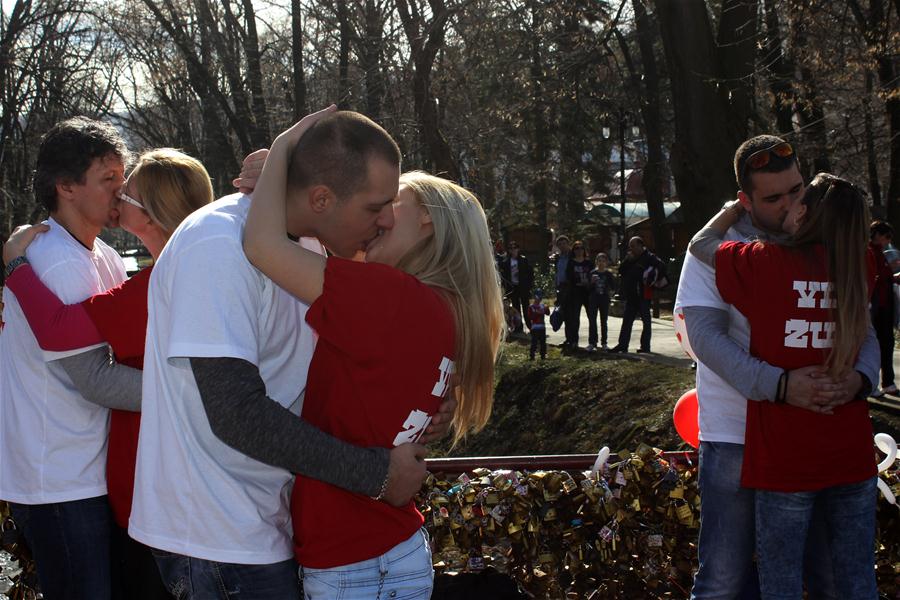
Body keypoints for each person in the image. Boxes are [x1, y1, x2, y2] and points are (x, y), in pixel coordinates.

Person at [127, 109, 452, 599]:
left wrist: (427, 410)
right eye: (373, 207)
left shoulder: (316, 249)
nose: (386, 220)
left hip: (269, 525)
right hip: (219, 538)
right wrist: (378, 475)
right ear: (321, 198)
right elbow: (235, 413)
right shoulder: (217, 245)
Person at [242, 115, 504, 599]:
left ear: (425, 218)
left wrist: (284, 150)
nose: (378, 218)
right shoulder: (444, 310)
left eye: (389, 205)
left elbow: (261, 245)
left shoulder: (390, 298)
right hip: (398, 546)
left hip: (347, 558)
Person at [2, 148, 216, 600]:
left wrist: (15, 267)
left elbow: (61, 330)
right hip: (141, 482)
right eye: (112, 180)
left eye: (129, 189)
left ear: (154, 213)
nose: (120, 193)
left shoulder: (163, 279)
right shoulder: (188, 266)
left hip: (166, 488)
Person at [675, 134, 879, 599]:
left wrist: (860, 378)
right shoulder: (734, 250)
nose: (790, 204)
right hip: (735, 432)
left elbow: (862, 324)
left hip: (814, 435)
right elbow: (706, 336)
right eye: (773, 197)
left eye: (797, 189)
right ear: (745, 201)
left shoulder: (829, 243)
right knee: (724, 578)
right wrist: (779, 385)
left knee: (822, 575)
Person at [0, 117, 130, 600]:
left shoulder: (106, 257)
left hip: (87, 471)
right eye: (108, 179)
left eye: (123, 177)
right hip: (57, 480)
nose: (121, 191)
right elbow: (95, 377)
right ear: (67, 187)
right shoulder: (52, 258)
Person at [610, 236, 661, 353]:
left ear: (640, 245)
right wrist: (627, 260)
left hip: (643, 295)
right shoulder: (630, 258)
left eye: (633, 246)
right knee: (627, 321)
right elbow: (621, 271)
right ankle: (622, 345)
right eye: (630, 246)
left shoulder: (650, 257)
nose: (631, 248)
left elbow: (659, 268)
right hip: (631, 295)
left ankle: (645, 346)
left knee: (646, 322)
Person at [869, 220, 897, 396]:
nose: (888, 241)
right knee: (873, 345)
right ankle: (872, 383)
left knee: (887, 343)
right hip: (875, 307)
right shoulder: (870, 253)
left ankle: (887, 382)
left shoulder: (880, 254)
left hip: (884, 307)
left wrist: (894, 278)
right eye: (886, 236)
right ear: (878, 235)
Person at [499, 241, 533, 332]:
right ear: (509, 250)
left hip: (523, 287)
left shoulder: (523, 260)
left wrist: (529, 285)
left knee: (526, 307)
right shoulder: (506, 262)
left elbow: (530, 273)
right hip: (513, 288)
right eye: (511, 248)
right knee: (515, 307)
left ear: (518, 249)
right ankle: (518, 326)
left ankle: (530, 325)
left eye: (515, 248)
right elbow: (503, 274)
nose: (513, 250)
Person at [564, 240, 592, 348]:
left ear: (584, 250)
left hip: (587, 292)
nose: (579, 250)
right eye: (576, 248)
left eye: (581, 248)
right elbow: (568, 277)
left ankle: (592, 340)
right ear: (573, 250)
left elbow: (593, 274)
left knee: (592, 317)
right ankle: (574, 340)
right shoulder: (571, 263)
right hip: (575, 292)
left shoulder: (589, 263)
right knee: (575, 318)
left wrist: (588, 283)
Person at [587, 253, 616, 351]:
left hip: (604, 299)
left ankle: (604, 342)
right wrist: (591, 282)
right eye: (599, 261)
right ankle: (592, 342)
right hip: (593, 299)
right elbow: (588, 288)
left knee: (604, 321)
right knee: (592, 321)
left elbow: (613, 287)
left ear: (606, 262)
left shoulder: (608, 274)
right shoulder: (592, 273)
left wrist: (610, 293)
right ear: (596, 262)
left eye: (603, 261)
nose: (601, 263)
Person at [551, 235, 573, 344]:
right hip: (561, 287)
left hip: (570, 287)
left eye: (564, 243)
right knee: (562, 313)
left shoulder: (572, 257)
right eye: (560, 244)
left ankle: (572, 338)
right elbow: (557, 273)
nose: (562, 246)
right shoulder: (559, 258)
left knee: (570, 314)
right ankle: (568, 338)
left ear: (568, 244)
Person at [527, 290, 551, 360]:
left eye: (540, 296)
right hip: (535, 327)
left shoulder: (542, 305)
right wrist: (537, 313)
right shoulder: (531, 307)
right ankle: (532, 356)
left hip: (542, 327)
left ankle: (543, 355)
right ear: (535, 297)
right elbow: (530, 317)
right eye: (538, 296)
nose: (540, 298)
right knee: (534, 342)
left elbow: (548, 313)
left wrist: (547, 309)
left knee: (543, 342)